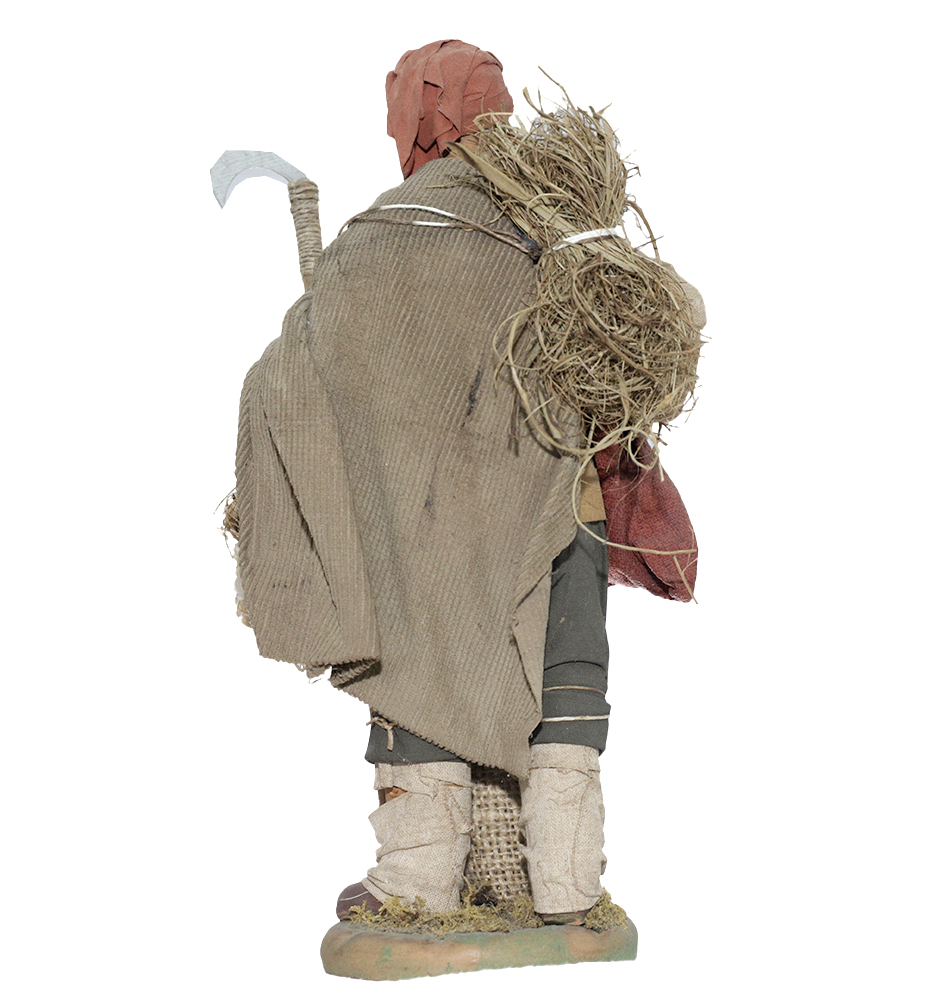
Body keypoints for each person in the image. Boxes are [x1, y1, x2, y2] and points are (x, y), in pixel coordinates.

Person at [234, 39, 703, 927]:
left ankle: (416, 883)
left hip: (426, 526)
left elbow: (290, 384)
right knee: (566, 679)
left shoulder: (380, 233)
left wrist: (306, 345)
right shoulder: (562, 222)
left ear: (414, 119)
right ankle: (567, 886)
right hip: (564, 513)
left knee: (417, 665)